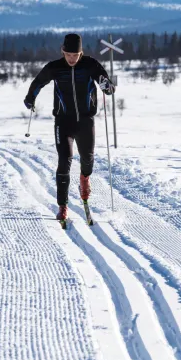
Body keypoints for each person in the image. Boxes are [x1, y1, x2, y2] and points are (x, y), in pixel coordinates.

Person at [24, 33, 115, 221]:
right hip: (63, 121)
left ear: (81, 53)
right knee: (64, 160)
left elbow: (107, 85)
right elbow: (38, 82)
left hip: (85, 120)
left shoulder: (90, 65)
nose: (72, 59)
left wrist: (108, 87)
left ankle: (84, 179)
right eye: (68, 55)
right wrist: (30, 97)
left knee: (87, 158)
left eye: (76, 55)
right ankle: (62, 206)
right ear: (63, 51)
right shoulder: (55, 67)